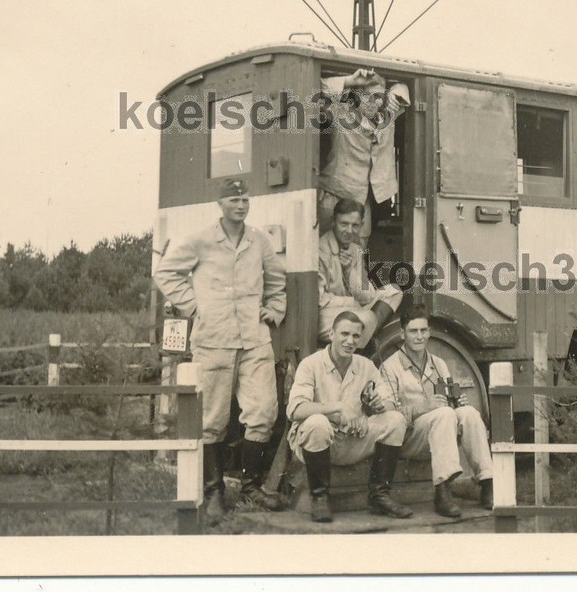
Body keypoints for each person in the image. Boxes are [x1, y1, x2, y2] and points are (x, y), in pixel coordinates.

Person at [152, 177, 287, 524]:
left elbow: (276, 281)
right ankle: (214, 492)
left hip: (255, 340)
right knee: (211, 419)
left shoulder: (259, 241)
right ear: (221, 205)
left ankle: (251, 486)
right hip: (213, 340)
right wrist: (194, 307)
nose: (241, 205)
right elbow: (165, 273)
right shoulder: (200, 240)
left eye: (245, 199)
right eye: (234, 200)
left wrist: (275, 309)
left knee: (263, 412)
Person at [286, 312, 413, 523]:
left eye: (356, 336)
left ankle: (379, 496)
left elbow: (390, 402)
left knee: (395, 420)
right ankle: (320, 498)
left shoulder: (366, 366)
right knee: (317, 422)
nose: (350, 341)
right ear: (331, 333)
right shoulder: (311, 364)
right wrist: (338, 408)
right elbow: (295, 410)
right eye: (344, 334)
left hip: (355, 439)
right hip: (320, 442)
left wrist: (379, 406)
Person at [378, 305, 494, 517]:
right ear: (402, 333)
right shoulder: (389, 367)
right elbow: (387, 413)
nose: (419, 337)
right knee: (444, 414)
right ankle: (442, 490)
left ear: (429, 332)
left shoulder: (439, 364)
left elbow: (448, 401)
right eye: (413, 331)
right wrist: (425, 406)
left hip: (440, 429)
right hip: (410, 437)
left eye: (424, 331)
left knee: (469, 413)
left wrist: (457, 402)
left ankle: (487, 482)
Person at [317, 69, 410, 241]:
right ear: (356, 97)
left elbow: (407, 86)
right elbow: (314, 89)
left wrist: (395, 95)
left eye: (378, 97)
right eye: (367, 96)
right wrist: (350, 80)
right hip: (333, 194)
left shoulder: (388, 116)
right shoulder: (341, 112)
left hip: (361, 198)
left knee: (360, 247)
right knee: (324, 247)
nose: (373, 102)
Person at [318, 196, 404, 349]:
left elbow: (367, 295)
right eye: (344, 224)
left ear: (362, 225)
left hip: (352, 309)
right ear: (333, 222)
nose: (349, 231)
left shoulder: (356, 250)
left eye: (355, 225)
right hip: (326, 315)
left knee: (394, 291)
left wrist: (349, 270)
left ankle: (366, 337)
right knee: (366, 317)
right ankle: (364, 342)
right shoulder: (321, 249)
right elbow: (319, 300)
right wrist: (351, 303)